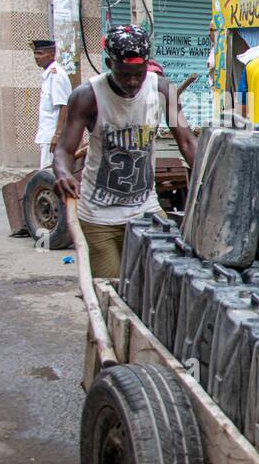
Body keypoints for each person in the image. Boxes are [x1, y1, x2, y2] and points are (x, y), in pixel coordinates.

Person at [52, 25, 196, 278]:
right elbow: (64, 150)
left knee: (159, 287)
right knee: (112, 291)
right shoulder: (87, 96)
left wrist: (208, 177)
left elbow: (187, 143)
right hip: (98, 215)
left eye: (138, 74)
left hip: (146, 210)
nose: (132, 82)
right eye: (124, 74)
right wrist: (63, 173)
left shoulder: (162, 90)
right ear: (109, 63)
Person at [32, 39, 70, 169]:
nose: (36, 57)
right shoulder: (49, 74)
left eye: (40, 53)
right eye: (35, 53)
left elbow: (64, 105)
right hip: (47, 135)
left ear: (52, 54)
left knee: (49, 175)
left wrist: (57, 135)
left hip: (52, 137)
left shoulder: (56, 75)